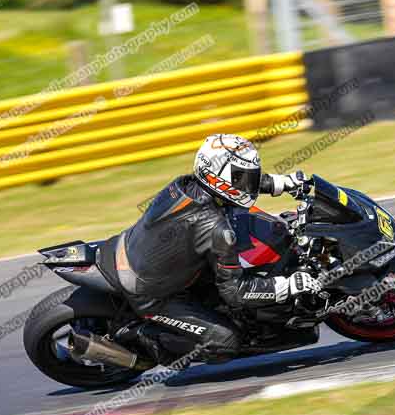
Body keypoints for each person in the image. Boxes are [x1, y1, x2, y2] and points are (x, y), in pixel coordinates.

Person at [99, 134, 321, 364]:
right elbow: (236, 293)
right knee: (225, 342)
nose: (248, 183)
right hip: (152, 295)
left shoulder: (184, 184)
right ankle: (140, 338)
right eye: (242, 177)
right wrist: (288, 285)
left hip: (142, 255)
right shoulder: (216, 229)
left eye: (248, 177)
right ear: (218, 176)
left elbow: (238, 187)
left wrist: (280, 182)